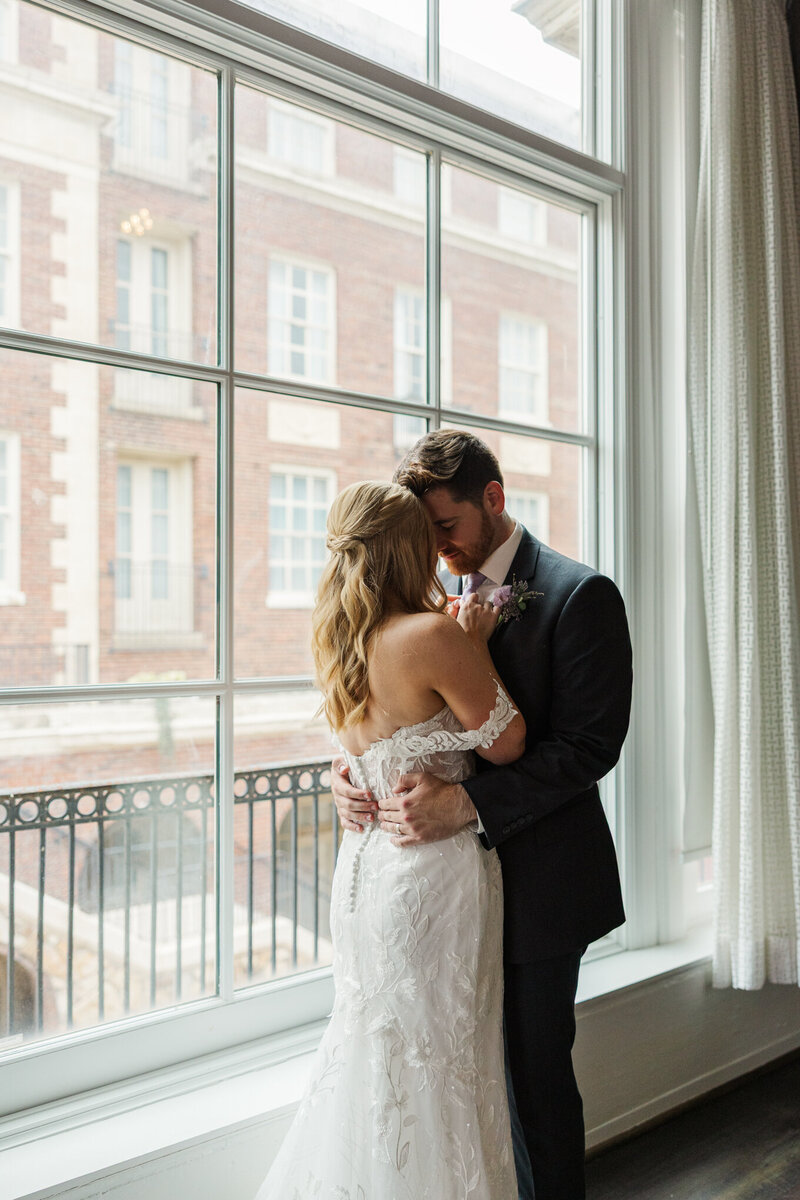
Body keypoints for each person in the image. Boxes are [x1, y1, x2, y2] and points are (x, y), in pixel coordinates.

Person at [332, 430, 633, 1200]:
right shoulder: (421, 604)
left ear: (493, 500)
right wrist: (351, 774)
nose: (435, 548)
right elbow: (400, 713)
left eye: (445, 528)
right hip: (439, 896)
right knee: (459, 1083)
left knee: (532, 1081)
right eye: (421, 534)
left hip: (537, 883)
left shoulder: (578, 593)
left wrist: (467, 801)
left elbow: (590, 747)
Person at [255, 479, 527, 1200]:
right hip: (430, 878)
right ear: (409, 548)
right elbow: (507, 745)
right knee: (442, 1064)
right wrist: (476, 644)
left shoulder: (335, 636)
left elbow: (358, 751)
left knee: (376, 1055)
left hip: (365, 872)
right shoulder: (433, 636)